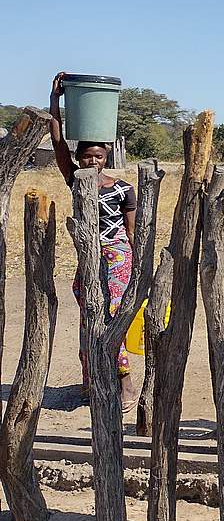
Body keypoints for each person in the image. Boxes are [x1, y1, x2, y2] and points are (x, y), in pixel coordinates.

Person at [49, 72, 139, 411]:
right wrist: (55, 100)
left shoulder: (122, 189)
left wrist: (139, 266)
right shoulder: (75, 180)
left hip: (116, 256)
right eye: (87, 157)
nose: (92, 161)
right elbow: (58, 143)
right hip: (89, 257)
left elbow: (131, 233)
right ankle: (93, 382)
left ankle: (125, 383)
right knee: (89, 315)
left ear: (106, 158)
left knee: (111, 314)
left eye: (98, 157)